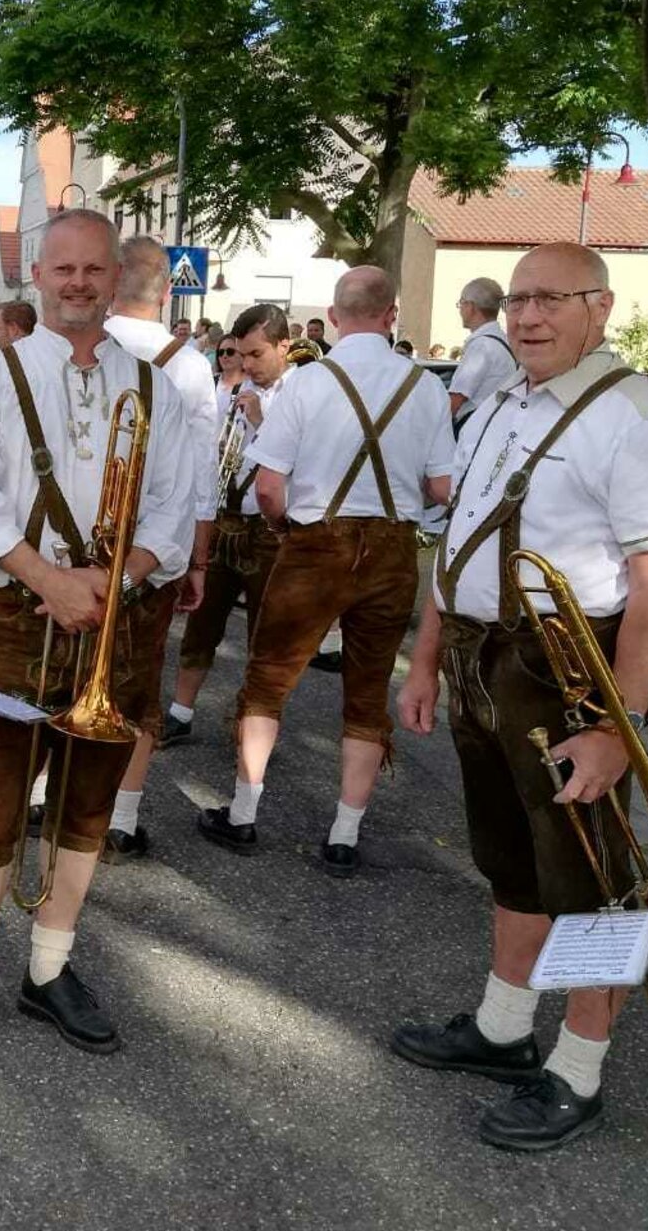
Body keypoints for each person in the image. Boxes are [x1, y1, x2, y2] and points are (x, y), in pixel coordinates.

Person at [393, 241, 648, 1152]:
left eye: (551, 299)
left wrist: (621, 727)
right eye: (518, 298)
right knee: (510, 856)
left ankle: (578, 1070)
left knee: (590, 882)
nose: (528, 315)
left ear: (600, 308)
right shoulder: (497, 404)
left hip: (571, 675)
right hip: (485, 663)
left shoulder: (640, 417)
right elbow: (459, 552)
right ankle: (500, 1029)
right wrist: (423, 658)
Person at [0, 209, 190, 1053]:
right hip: (18, 609)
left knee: (88, 801)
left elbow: (175, 508)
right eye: (62, 269)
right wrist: (51, 580)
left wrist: (118, 576)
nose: (77, 284)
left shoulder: (155, 387)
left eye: (93, 270)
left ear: (115, 278)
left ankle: (49, 967)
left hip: (116, 610)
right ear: (38, 275)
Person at [200, 265, 453, 875]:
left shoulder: (310, 384)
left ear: (336, 318)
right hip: (393, 551)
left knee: (268, 682)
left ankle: (244, 814)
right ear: (393, 315)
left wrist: (291, 532)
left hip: (314, 545)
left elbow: (267, 488)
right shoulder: (425, 388)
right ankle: (344, 834)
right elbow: (444, 488)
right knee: (366, 694)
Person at [94, 235, 217, 861]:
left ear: (111, 281)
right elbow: (202, 480)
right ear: (168, 291)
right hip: (154, 552)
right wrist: (198, 561)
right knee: (139, 689)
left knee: (61, 669)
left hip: (80, 547)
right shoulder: (190, 365)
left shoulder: (86, 346)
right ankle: (121, 818)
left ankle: (41, 797)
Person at [161, 305, 293, 747]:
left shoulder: (300, 395)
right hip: (224, 520)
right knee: (202, 622)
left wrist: (260, 422)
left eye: (256, 355)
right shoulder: (226, 393)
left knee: (267, 635)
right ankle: (180, 713)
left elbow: (304, 463)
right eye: (241, 355)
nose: (248, 365)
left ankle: (252, 727)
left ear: (283, 347)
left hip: (270, 531)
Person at [448, 277, 515, 426]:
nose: (460, 310)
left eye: (461, 303)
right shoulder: (503, 341)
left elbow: (456, 400)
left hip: (474, 425)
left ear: (471, 306)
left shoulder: (481, 346)